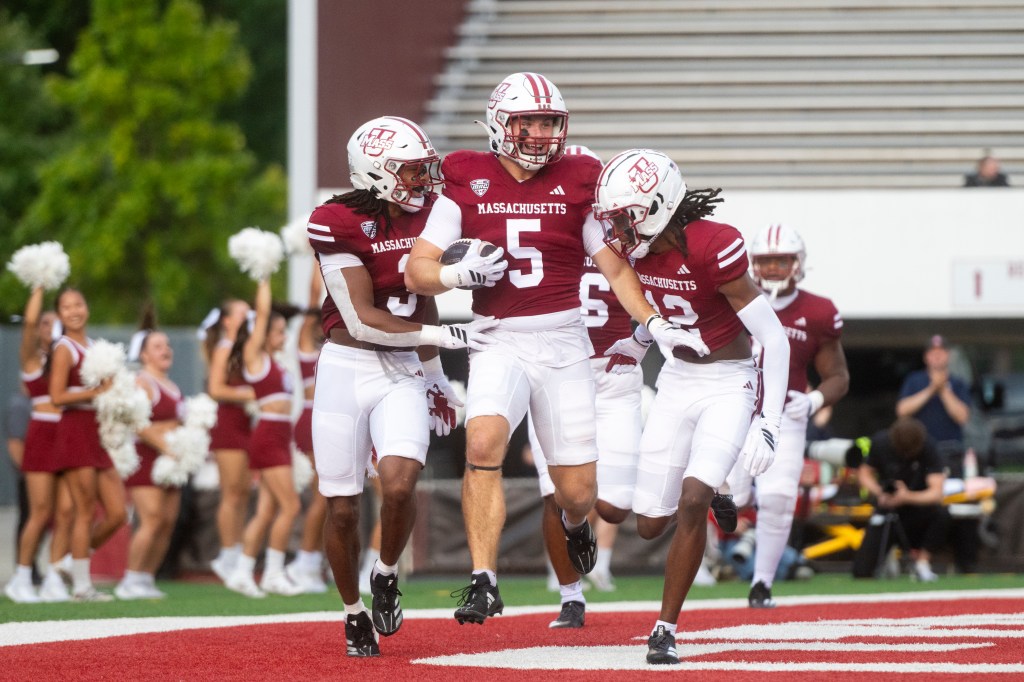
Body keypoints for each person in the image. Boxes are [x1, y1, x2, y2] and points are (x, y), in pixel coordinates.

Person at [404, 75, 706, 628]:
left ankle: (574, 526)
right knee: (483, 440)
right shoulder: (466, 176)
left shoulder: (580, 178)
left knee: (577, 494)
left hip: (565, 343)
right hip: (497, 337)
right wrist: (453, 275)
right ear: (501, 123)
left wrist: (654, 321)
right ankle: (483, 580)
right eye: (529, 122)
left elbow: (616, 267)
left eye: (549, 122)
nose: (542, 133)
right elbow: (416, 270)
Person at [592, 149, 790, 665]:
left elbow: (773, 338)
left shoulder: (712, 245)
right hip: (677, 380)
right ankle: (720, 486)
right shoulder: (639, 251)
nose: (618, 229)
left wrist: (768, 422)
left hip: (728, 381)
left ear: (659, 206)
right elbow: (659, 305)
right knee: (648, 524)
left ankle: (664, 628)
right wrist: (639, 340)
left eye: (626, 217)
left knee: (692, 498)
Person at [308, 116, 492, 657]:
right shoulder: (336, 221)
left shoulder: (431, 212)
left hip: (404, 369)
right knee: (342, 507)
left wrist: (436, 377)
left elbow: (422, 295)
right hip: (346, 365)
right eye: (410, 171)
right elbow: (361, 319)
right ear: (377, 172)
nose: (421, 180)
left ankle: (385, 573)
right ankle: (352, 612)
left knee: (399, 484)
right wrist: (438, 336)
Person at [724, 223, 849, 608]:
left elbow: (838, 376)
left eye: (782, 260)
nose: (774, 268)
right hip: (733, 409)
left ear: (798, 263)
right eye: (766, 260)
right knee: (731, 496)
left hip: (784, 419)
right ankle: (740, 510)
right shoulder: (730, 300)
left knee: (778, 499)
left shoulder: (817, 311)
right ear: (752, 263)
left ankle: (762, 583)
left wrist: (813, 401)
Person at [223, 279, 304, 598]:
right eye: (279, 332)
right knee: (291, 506)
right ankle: (272, 573)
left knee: (268, 510)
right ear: (264, 334)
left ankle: (242, 572)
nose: (284, 337)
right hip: (269, 435)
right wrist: (264, 279)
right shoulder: (255, 358)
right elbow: (262, 313)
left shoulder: (277, 362)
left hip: (280, 435)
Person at [49, 288, 128, 602]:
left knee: (118, 513)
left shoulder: (96, 348)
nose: (74, 311)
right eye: (66, 307)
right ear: (60, 314)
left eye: (78, 304)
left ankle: (72, 562)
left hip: (98, 433)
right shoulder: (63, 348)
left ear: (87, 308)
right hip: (75, 431)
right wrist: (97, 393)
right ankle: (82, 587)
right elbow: (57, 396)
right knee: (84, 512)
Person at [5, 287, 74, 603]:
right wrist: (39, 286)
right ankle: (21, 577)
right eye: (46, 323)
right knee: (40, 511)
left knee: (67, 511)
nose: (49, 327)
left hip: (67, 435)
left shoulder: (68, 356)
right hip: (42, 435)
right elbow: (30, 322)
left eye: (55, 322)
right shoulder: (33, 358)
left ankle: (54, 579)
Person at [115, 323, 184, 600]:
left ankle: (146, 577)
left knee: (167, 522)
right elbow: (138, 425)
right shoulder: (142, 382)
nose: (165, 350)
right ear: (143, 355)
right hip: (147, 457)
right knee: (152, 519)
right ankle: (130, 578)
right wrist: (167, 445)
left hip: (171, 461)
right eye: (157, 346)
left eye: (167, 345)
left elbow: (175, 423)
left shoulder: (172, 385)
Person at [202, 300, 256, 584]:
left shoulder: (246, 349)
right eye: (241, 314)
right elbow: (215, 388)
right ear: (227, 320)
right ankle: (227, 553)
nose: (248, 317)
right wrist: (249, 395)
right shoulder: (224, 348)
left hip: (246, 424)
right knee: (231, 491)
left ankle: (236, 550)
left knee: (243, 491)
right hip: (228, 425)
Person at [856, 417, 948, 582]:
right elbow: (864, 473)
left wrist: (907, 496)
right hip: (887, 509)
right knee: (861, 571)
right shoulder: (881, 442)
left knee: (942, 514)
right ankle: (886, 558)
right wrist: (880, 492)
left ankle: (922, 562)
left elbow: (936, 492)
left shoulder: (929, 447)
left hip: (918, 509)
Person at [285, 270, 329, 594]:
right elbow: (314, 296)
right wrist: (318, 256)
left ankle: (314, 562)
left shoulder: (335, 345)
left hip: (329, 418)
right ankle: (304, 562)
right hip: (312, 418)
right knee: (323, 495)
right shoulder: (305, 344)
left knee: (332, 496)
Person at [896, 334, 971, 450]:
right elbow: (902, 411)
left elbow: (962, 417)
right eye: (933, 352)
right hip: (920, 447)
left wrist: (943, 389)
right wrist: (931, 389)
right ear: (925, 357)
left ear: (948, 355)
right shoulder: (914, 380)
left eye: (941, 352)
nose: (937, 356)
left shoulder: (958, 383)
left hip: (951, 447)